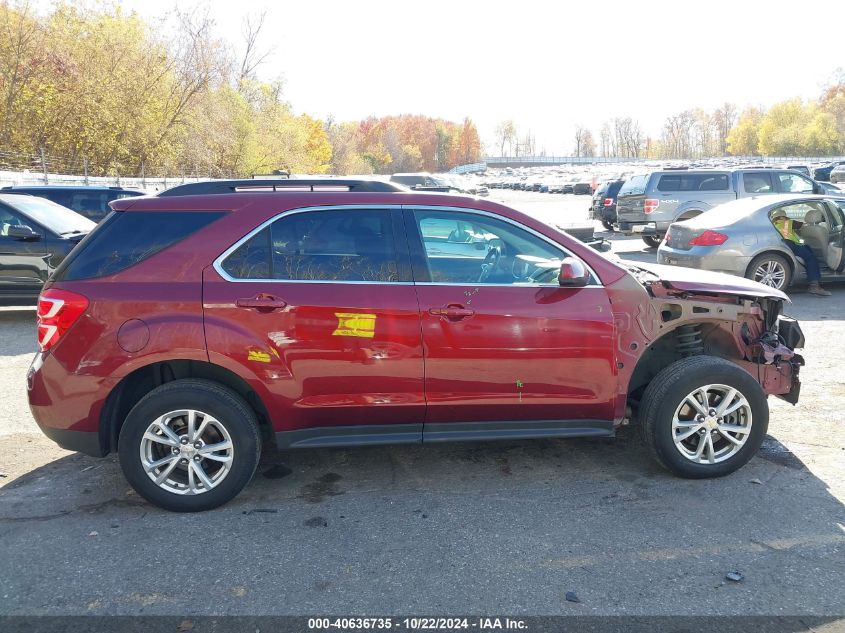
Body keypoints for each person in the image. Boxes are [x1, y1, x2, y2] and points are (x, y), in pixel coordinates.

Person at [771, 209, 831, 296]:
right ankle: (814, 285)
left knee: (807, 249)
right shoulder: (789, 222)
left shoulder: (772, 224)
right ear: (784, 216)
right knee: (810, 258)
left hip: (780, 244)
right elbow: (803, 226)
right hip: (791, 244)